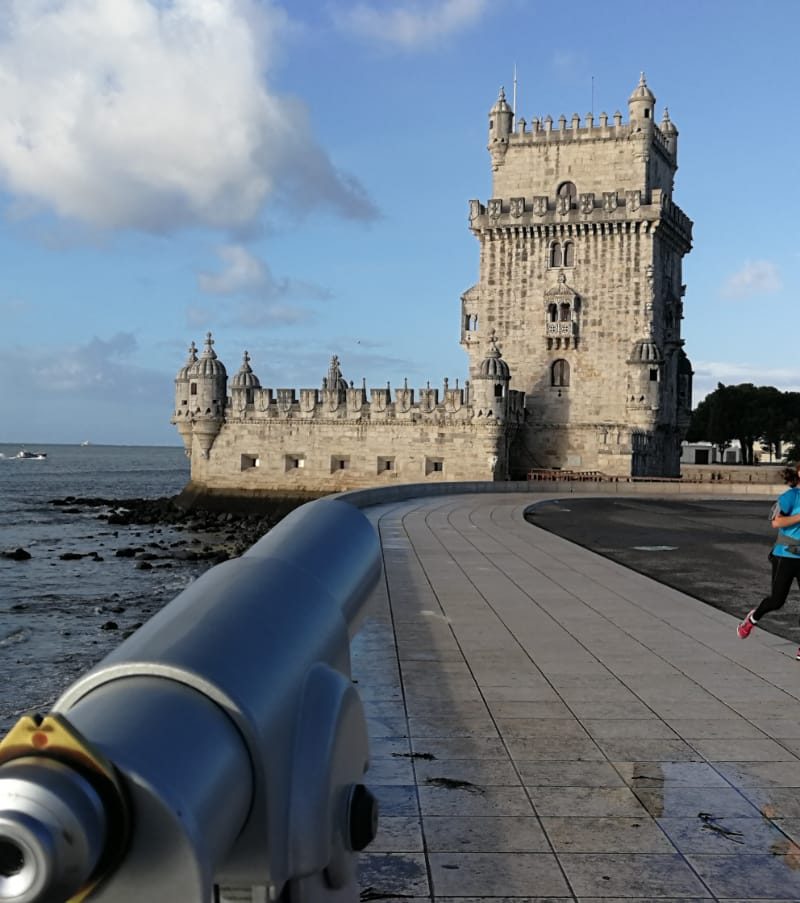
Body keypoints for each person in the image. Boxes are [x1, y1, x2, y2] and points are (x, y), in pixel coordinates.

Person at [738, 465, 800, 657]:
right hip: (786, 555)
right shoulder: (791, 496)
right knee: (777, 600)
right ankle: (753, 618)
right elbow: (776, 522)